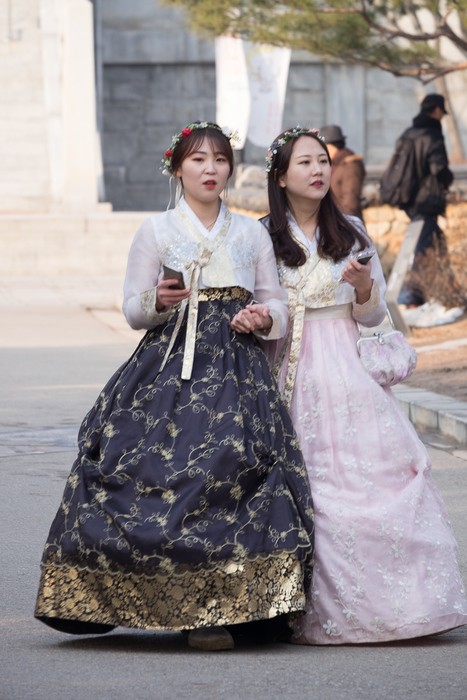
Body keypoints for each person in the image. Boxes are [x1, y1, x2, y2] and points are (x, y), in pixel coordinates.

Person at [34, 122, 315, 651]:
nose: (211, 170)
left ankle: (217, 611)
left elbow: (278, 305)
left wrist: (261, 318)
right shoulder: (155, 231)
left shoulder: (250, 233)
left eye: (220, 160)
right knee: (140, 466)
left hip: (236, 369)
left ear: (231, 168)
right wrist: (160, 302)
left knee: (228, 467)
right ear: (177, 168)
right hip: (167, 367)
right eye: (198, 160)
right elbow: (133, 310)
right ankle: (139, 598)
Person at [262, 125, 467, 644]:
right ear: (281, 176)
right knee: (314, 488)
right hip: (292, 372)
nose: (317, 171)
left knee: (381, 476)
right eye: (304, 163)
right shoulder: (262, 236)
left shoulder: (351, 230)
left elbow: (375, 317)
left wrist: (365, 288)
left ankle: (408, 605)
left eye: (323, 162)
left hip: (351, 374)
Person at [391, 94, 454, 307]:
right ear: (437, 110)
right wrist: (449, 180)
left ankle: (451, 289)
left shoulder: (408, 133)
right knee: (423, 248)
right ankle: (415, 298)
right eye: (441, 113)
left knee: (438, 242)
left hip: (409, 199)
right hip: (427, 200)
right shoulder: (432, 134)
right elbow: (439, 167)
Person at [319, 124, 366, 220]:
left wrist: (341, 223)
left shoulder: (350, 165)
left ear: (332, 146)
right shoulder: (334, 163)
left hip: (345, 221)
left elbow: (350, 201)